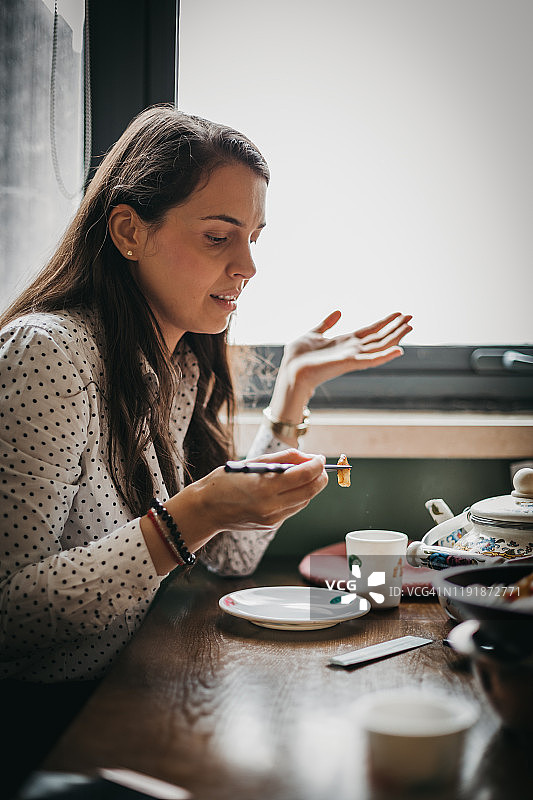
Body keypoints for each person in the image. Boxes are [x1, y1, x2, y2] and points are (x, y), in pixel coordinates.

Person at [0, 105, 411, 791]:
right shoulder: (48, 352)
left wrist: (291, 389)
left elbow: (229, 555)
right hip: (46, 726)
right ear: (130, 231)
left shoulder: (178, 365)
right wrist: (188, 515)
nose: (248, 265)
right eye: (220, 236)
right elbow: (9, 616)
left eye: (253, 237)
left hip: (129, 688)